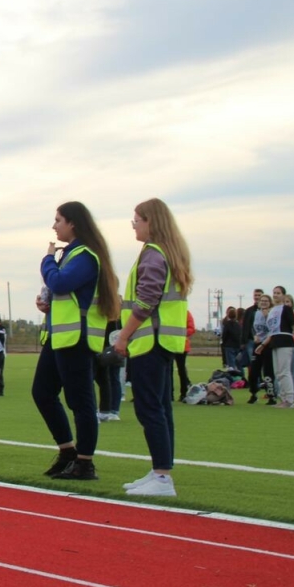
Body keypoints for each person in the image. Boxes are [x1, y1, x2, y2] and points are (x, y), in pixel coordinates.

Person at [32, 202, 119, 480]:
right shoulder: (71, 254)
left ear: (73, 223)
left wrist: (46, 260)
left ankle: (85, 462)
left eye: (58, 220)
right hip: (59, 336)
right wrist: (48, 306)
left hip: (76, 339)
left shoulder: (84, 254)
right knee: (42, 392)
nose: (54, 225)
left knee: (80, 401)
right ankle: (68, 451)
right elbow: (64, 293)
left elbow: (60, 283)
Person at [114, 198, 191, 498]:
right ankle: (161, 469)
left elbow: (146, 301)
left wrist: (123, 336)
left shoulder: (153, 254)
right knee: (161, 408)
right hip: (164, 341)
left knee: (150, 409)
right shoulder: (167, 253)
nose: (133, 224)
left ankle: (162, 477)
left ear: (151, 221)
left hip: (151, 340)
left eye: (137, 219)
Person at [254, 286, 294, 408]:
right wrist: (263, 345)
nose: (275, 295)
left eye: (278, 293)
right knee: (278, 372)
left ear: (283, 295)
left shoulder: (286, 309)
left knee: (284, 371)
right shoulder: (273, 310)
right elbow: (272, 331)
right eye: (274, 293)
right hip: (275, 341)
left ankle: (290, 400)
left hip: (285, 340)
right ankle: (283, 398)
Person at [220, 306, 241, 370]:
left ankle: (233, 376)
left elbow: (224, 335)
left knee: (231, 363)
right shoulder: (238, 325)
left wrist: (224, 343)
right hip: (237, 345)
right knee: (238, 362)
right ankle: (241, 375)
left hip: (229, 346)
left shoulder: (227, 324)